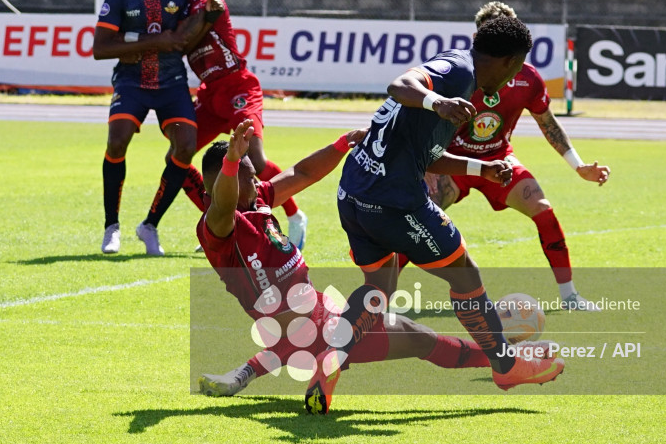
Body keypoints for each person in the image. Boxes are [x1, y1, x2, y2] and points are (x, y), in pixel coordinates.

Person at [314, 16, 565, 415]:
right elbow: (398, 86)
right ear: (509, 62)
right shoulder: (459, 71)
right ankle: (506, 367)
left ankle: (329, 363)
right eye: (517, 68)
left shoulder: (462, 77)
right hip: (394, 199)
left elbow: (426, 154)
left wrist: (480, 169)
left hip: (355, 192)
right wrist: (439, 102)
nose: (514, 77)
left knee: (378, 287)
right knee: (464, 273)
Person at [197, 120, 523, 410]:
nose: (257, 184)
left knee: (415, 334)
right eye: (249, 178)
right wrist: (230, 162)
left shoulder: (257, 201)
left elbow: (302, 173)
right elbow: (224, 203)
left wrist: (342, 144)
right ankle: (508, 360)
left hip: (320, 314)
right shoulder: (219, 227)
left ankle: (507, 357)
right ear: (222, 181)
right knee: (411, 331)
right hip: (309, 326)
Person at [420, 1, 611, 311]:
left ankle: (570, 297)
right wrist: (425, 163)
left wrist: (578, 166)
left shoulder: (529, 79)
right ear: (476, 37)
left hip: (499, 162)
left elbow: (548, 123)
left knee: (544, 211)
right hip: (451, 163)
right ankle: (378, 300)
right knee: (412, 222)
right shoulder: (457, 73)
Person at [175, 0, 308, 248]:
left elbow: (183, 42)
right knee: (178, 159)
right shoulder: (185, 3)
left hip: (237, 87)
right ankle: (220, 219)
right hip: (210, 95)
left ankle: (295, 215)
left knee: (256, 159)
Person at [93, 0, 213, 256]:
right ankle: (111, 227)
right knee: (117, 140)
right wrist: (154, 42)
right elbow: (100, 48)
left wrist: (209, 15)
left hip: (172, 81)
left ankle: (150, 226)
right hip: (132, 81)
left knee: (186, 146)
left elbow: (186, 33)